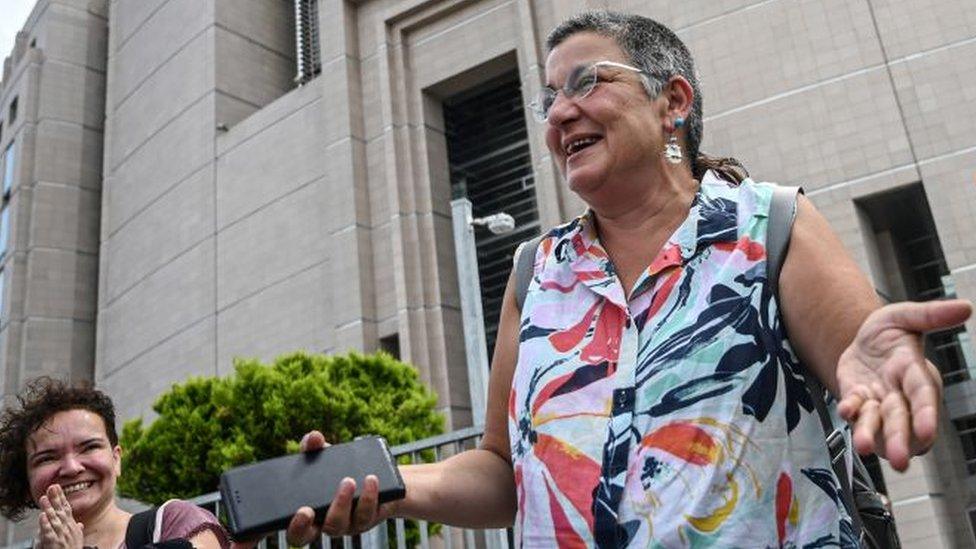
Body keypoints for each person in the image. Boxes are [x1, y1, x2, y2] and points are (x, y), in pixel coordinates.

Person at [283, 11, 973, 547]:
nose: (558, 114)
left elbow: (859, 359)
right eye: (548, 99)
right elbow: (502, 469)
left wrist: (874, 369)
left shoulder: (769, 224)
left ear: (672, 100)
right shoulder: (535, 274)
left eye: (585, 81)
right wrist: (387, 483)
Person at [0, 377, 230, 549]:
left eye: (89, 447)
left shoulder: (174, 522)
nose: (71, 468)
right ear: (26, 480)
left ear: (116, 459)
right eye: (47, 458)